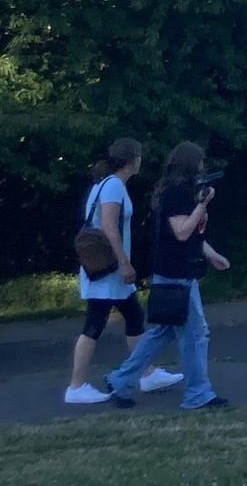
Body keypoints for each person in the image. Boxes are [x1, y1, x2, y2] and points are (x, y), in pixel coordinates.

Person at [105, 142, 230, 411]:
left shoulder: (175, 192)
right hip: (177, 274)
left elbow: (191, 236)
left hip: (173, 271)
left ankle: (121, 379)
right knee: (197, 334)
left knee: (162, 332)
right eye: (200, 163)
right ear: (192, 164)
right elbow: (183, 232)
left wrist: (211, 254)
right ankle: (198, 394)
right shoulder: (177, 195)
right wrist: (203, 204)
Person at [64, 138, 185, 406]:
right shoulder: (114, 186)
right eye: (140, 156)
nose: (142, 160)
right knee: (95, 324)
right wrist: (123, 262)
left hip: (106, 271)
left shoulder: (104, 184)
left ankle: (146, 372)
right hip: (109, 271)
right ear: (132, 160)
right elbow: (109, 225)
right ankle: (77, 385)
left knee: (132, 316)